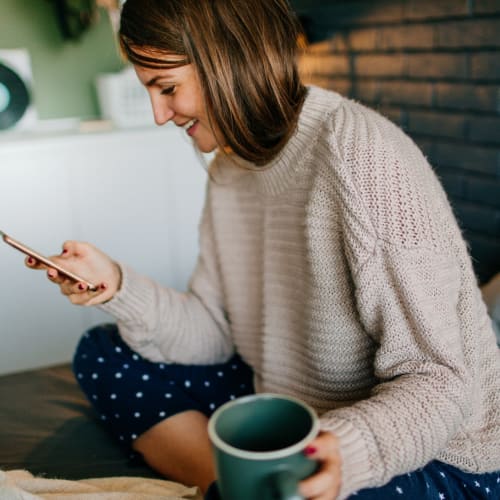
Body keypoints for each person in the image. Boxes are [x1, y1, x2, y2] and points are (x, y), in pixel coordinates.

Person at [27, 0, 500, 498]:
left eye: (166, 89)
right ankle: (240, 486)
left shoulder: (360, 154)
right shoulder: (229, 170)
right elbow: (214, 332)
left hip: (438, 451)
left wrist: (348, 450)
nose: (159, 114)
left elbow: (446, 380)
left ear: (228, 60)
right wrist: (117, 286)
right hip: (291, 407)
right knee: (104, 351)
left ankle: (253, 486)